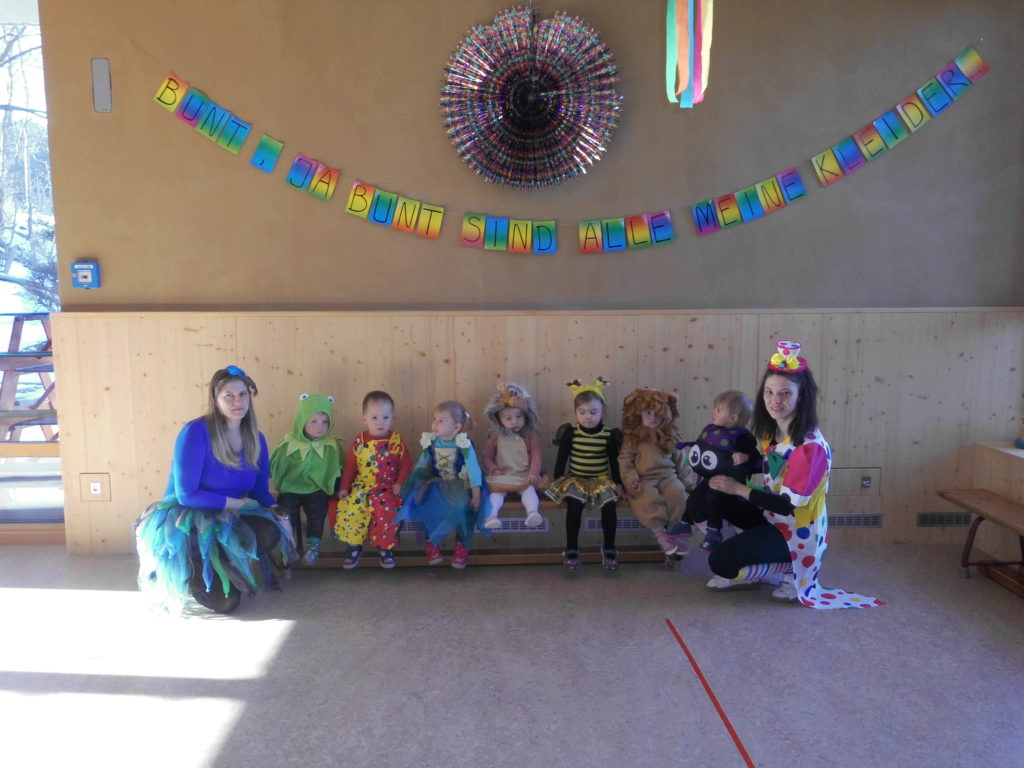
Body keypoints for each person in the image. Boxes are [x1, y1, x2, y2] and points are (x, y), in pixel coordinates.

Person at [705, 341, 884, 608]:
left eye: (785, 393)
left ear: (802, 397)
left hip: (797, 532)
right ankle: (758, 556)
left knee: (720, 562)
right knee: (716, 499)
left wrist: (738, 488)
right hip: (772, 516)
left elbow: (787, 505)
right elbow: (769, 469)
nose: (775, 401)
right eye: (769, 392)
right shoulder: (771, 432)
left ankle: (788, 570)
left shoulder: (809, 449)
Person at [135, 366, 296, 614]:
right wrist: (234, 504)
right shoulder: (195, 432)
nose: (237, 401)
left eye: (243, 394)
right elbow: (186, 494)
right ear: (215, 399)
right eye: (228, 395)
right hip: (188, 517)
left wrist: (280, 514)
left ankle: (224, 557)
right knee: (226, 604)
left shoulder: (256, 438)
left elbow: (259, 491)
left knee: (268, 531)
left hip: (232, 513)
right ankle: (195, 563)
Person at [395, 400, 491, 569]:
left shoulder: (463, 444)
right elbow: (421, 465)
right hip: (437, 483)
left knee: (464, 507)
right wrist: (411, 484)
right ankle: (432, 544)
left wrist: (476, 494)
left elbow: (473, 469)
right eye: (434, 419)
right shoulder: (431, 442)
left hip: (461, 484)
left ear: (456, 427)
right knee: (423, 504)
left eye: (441, 420)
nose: (435, 424)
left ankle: (462, 546)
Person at [546, 377, 623, 571]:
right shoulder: (570, 432)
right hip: (575, 479)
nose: (587, 417)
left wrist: (619, 483)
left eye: (593, 412)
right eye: (582, 412)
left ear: (603, 411)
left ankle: (609, 548)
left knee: (609, 507)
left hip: (601, 479)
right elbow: (562, 457)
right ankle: (571, 548)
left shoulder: (609, 434)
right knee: (574, 506)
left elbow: (614, 461)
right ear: (575, 412)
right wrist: (558, 479)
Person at [334, 391, 412, 569]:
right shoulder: (359, 441)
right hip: (362, 487)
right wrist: (344, 488)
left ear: (392, 417)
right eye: (374, 417)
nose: (380, 422)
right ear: (364, 419)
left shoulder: (396, 441)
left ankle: (385, 548)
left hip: (387, 487)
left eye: (385, 417)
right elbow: (350, 467)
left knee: (386, 511)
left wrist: (399, 482)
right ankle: (354, 546)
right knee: (353, 508)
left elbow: (407, 464)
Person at [680, 390, 763, 552]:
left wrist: (745, 457)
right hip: (708, 477)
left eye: (718, 410)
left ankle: (714, 531)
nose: (714, 412)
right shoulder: (711, 430)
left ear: (733, 418)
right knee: (693, 499)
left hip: (729, 484)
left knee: (713, 499)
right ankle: (684, 524)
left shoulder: (743, 437)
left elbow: (755, 456)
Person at [270, 393, 342, 566]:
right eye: (314, 421)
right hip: (291, 487)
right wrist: (276, 485)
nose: (320, 427)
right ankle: (288, 544)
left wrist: (337, 487)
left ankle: (313, 544)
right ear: (302, 420)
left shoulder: (331, 445)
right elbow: (277, 465)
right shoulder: (289, 443)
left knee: (317, 509)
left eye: (325, 422)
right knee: (286, 511)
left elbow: (338, 467)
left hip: (317, 488)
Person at [618, 387, 689, 561]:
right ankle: (660, 533)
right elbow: (625, 461)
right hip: (644, 478)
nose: (653, 417)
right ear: (638, 414)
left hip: (669, 477)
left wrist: (687, 482)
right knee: (646, 497)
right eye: (648, 413)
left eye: (658, 413)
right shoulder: (633, 438)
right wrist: (631, 478)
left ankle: (676, 532)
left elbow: (682, 460)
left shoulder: (670, 435)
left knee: (678, 492)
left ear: (666, 414)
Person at [481, 382, 548, 530]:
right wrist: (493, 469)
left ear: (526, 416)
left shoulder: (529, 436)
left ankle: (532, 513)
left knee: (529, 491)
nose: (515, 421)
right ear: (499, 420)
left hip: (524, 475)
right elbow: (486, 456)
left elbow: (537, 456)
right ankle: (492, 516)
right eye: (508, 419)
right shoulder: (495, 437)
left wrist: (534, 473)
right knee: (497, 494)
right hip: (503, 475)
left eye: (519, 416)